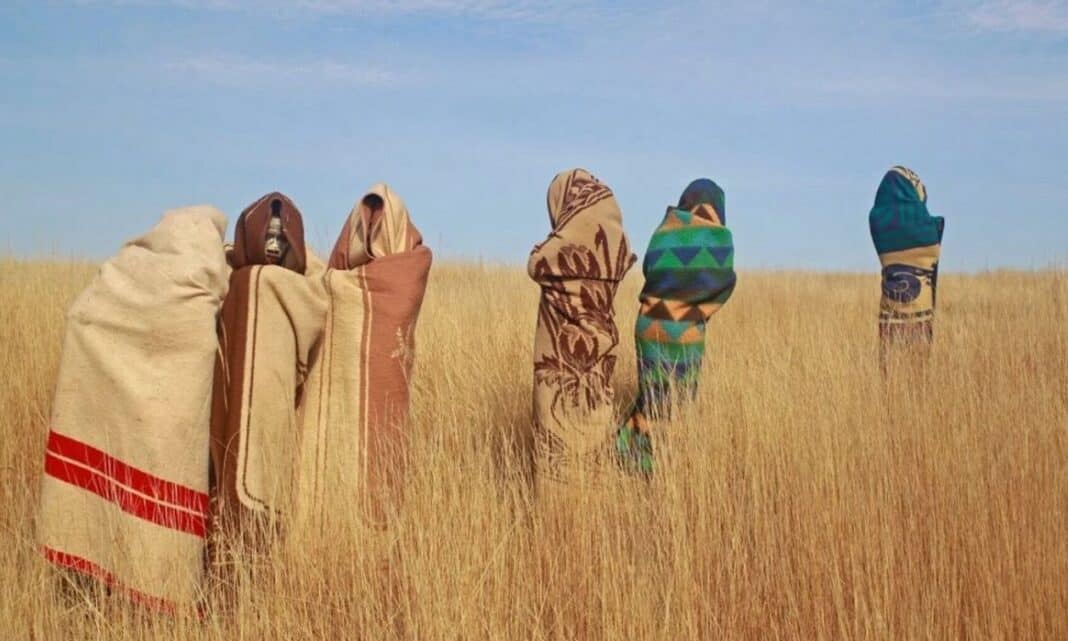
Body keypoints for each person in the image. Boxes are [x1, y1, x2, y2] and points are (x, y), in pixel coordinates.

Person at [37, 206, 229, 613]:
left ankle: (116, 586)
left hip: (140, 417)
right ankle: (147, 587)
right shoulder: (206, 287)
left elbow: (81, 317)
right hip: (167, 427)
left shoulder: (123, 270)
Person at [295, 184, 432, 531]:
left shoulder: (409, 266)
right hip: (339, 385)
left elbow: (368, 291)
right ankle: (330, 529)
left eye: (380, 224)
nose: (373, 232)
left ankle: (372, 538)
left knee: (381, 449)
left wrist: (331, 283)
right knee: (335, 444)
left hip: (385, 384)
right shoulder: (336, 279)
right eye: (366, 224)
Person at [210, 192, 326, 534]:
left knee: (269, 467)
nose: (273, 245)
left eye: (281, 238)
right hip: (228, 391)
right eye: (268, 236)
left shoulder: (303, 286)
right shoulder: (229, 277)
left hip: (275, 399)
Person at [616, 179, 737, 473]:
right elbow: (724, 284)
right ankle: (654, 471)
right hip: (686, 332)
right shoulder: (719, 238)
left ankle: (627, 457)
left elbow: (649, 269)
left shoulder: (665, 229)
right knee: (676, 409)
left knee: (651, 399)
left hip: (648, 324)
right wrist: (696, 307)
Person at [528, 168, 635, 482]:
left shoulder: (559, 251)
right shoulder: (615, 243)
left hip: (560, 364)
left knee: (557, 435)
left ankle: (559, 506)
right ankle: (591, 504)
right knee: (593, 429)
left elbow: (536, 263)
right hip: (599, 358)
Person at [868, 166, 945, 366]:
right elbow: (934, 234)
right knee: (917, 367)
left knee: (891, 367)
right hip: (920, 310)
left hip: (889, 315)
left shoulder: (878, 220)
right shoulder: (922, 226)